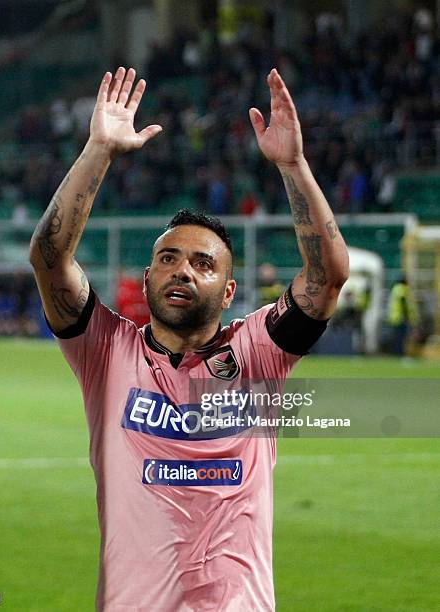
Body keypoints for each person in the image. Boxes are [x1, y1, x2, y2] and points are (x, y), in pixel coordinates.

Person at [29, 67, 349, 611]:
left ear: (228, 292)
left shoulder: (256, 353)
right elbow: (49, 258)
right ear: (148, 278)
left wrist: (293, 166)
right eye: (168, 259)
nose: (182, 271)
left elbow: (326, 278)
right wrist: (99, 151)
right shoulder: (107, 352)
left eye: (202, 264)